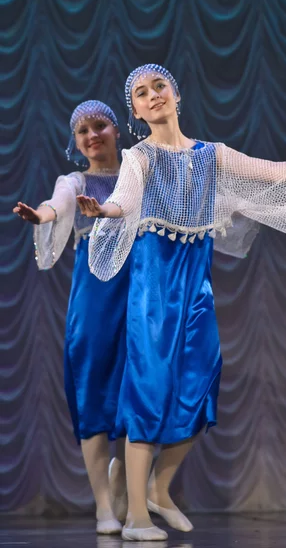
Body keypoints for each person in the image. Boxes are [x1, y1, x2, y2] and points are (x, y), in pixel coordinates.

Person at [76, 65, 286, 542]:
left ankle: (159, 488)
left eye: (159, 86)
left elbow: (273, 173)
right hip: (152, 291)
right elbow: (124, 199)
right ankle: (136, 516)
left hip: (194, 288)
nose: (153, 95)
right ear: (135, 111)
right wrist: (104, 210)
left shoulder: (212, 156)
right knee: (148, 392)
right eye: (141, 93)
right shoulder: (140, 157)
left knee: (202, 387)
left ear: (176, 93)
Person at [13, 101, 129, 535]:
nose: (92, 135)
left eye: (100, 125)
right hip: (97, 299)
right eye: (82, 131)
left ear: (117, 130)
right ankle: (104, 505)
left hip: (142, 293)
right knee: (92, 392)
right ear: (76, 142)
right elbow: (58, 204)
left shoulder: (139, 176)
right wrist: (41, 215)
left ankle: (133, 487)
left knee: (151, 388)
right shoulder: (76, 180)